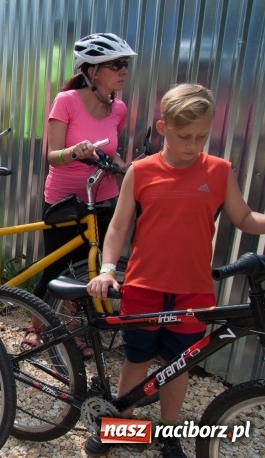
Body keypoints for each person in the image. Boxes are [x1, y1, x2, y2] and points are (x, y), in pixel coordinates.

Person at [85, 84, 265, 458]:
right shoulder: (141, 171)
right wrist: (106, 269)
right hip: (143, 287)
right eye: (185, 136)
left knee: (176, 365)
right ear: (162, 127)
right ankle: (122, 428)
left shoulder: (219, 171)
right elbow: (118, 227)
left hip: (193, 290)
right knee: (136, 360)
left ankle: (168, 434)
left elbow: (245, 218)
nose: (193, 144)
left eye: (202, 135)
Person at [28, 32, 136, 358]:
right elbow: (52, 156)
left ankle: (74, 328)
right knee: (57, 267)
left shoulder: (118, 109)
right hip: (64, 198)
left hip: (102, 196)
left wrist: (129, 169)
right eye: (116, 64)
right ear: (91, 71)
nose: (124, 70)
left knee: (88, 268)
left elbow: (112, 154)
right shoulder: (67, 101)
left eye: (125, 64)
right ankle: (36, 326)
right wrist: (74, 151)